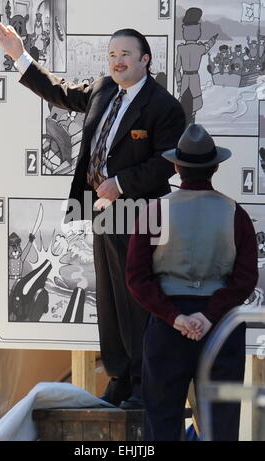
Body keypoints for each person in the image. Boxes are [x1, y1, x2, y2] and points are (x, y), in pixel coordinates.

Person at [0, 22, 186, 408]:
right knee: (112, 300)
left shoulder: (164, 106)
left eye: (125, 54)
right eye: (112, 55)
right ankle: (119, 377)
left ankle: (142, 385)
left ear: (145, 60)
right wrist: (19, 55)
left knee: (137, 299)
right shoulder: (103, 89)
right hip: (101, 211)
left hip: (139, 212)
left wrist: (122, 183)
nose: (117, 61)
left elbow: (167, 162)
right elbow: (60, 92)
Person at [126, 123, 258, 439]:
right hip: (221, 326)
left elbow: (136, 277)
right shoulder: (235, 213)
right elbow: (245, 278)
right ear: (214, 167)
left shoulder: (155, 211)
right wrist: (208, 315)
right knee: (221, 424)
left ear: (175, 167)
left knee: (161, 421)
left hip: (167, 322)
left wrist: (176, 317)